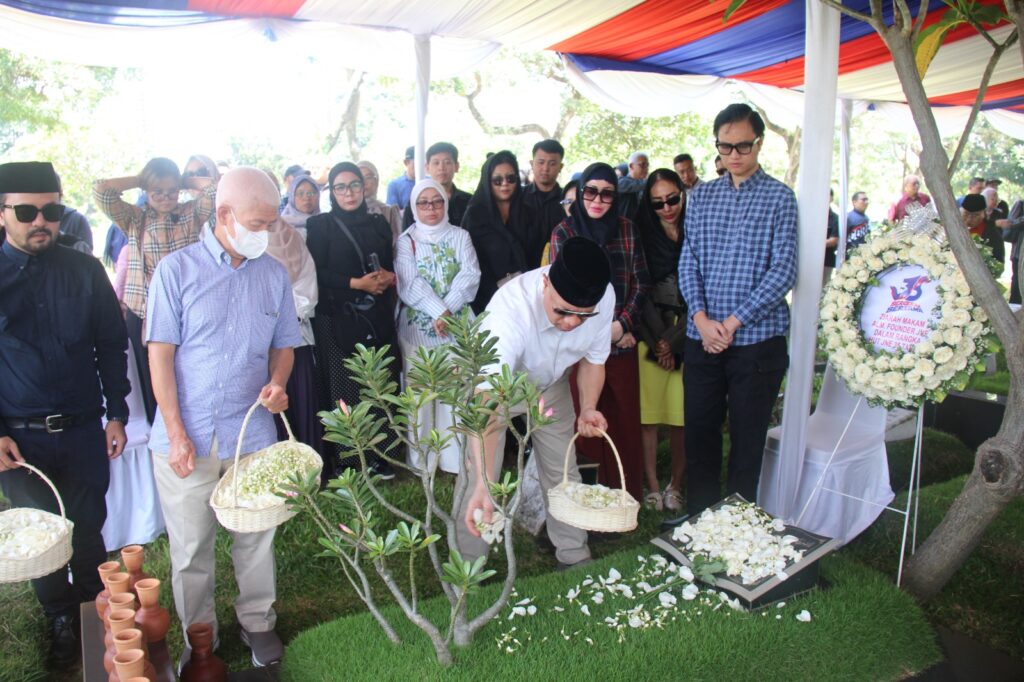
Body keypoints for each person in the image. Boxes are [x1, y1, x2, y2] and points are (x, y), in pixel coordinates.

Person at [146, 167, 300, 668]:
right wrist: (175, 432)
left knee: (256, 538)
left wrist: (278, 383)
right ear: (224, 215)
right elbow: (160, 356)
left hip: (251, 431)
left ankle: (258, 622)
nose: (266, 234)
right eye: (257, 224)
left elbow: (284, 347)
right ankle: (200, 639)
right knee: (191, 548)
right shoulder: (176, 271)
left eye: (271, 224)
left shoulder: (274, 275)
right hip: (186, 435)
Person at [0, 161, 130, 663]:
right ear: (3, 213)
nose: (41, 221)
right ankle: (58, 616)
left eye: (51, 210)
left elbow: (109, 344)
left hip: (81, 431)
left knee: (87, 525)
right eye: (27, 211)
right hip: (20, 439)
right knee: (41, 535)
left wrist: (116, 412)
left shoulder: (84, 269)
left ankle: (98, 614)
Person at [460, 236, 615, 570]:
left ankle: (573, 555)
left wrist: (588, 406)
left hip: (551, 384)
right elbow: (485, 404)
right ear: (545, 282)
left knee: (564, 469)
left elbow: (593, 359)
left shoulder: (604, 297)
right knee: (478, 476)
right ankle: (469, 569)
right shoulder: (508, 313)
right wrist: (486, 482)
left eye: (583, 316)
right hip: (497, 387)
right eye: (562, 311)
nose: (572, 322)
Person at [678, 103, 797, 515]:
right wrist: (700, 319)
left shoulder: (781, 198)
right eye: (725, 147)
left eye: (742, 146)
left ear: (759, 143)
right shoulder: (701, 196)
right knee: (699, 437)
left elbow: (784, 270)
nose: (733, 155)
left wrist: (730, 323)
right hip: (701, 338)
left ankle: (737, 532)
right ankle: (699, 524)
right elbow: (688, 260)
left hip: (756, 342)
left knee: (747, 444)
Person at [551, 162, 650, 504]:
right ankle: (589, 504)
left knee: (623, 424)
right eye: (590, 191)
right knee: (586, 426)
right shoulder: (563, 232)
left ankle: (626, 500)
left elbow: (640, 282)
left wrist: (622, 324)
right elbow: (558, 291)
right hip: (578, 346)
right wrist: (596, 333)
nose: (598, 199)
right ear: (580, 193)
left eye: (607, 193)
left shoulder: (627, 230)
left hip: (621, 343)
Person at [94, 158, 217, 424]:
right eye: (157, 191)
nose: (165, 197)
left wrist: (181, 181)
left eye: (171, 190)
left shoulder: (190, 213)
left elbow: (215, 189)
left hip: (189, 309)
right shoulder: (135, 218)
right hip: (145, 311)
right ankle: (163, 435)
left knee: (191, 374)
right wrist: (143, 179)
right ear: (147, 192)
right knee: (154, 381)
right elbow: (102, 191)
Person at [306, 162, 400, 480]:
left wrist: (388, 276)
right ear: (332, 191)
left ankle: (381, 455)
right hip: (338, 319)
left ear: (365, 187)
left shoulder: (378, 223)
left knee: (378, 385)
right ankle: (352, 461)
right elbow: (317, 273)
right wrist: (356, 284)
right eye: (341, 187)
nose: (349, 193)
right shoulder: (320, 226)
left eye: (355, 185)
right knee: (345, 390)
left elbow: (390, 262)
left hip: (376, 316)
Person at [395, 179, 480, 473]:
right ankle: (423, 463)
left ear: (445, 204)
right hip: (418, 332)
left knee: (455, 395)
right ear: (414, 207)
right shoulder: (406, 240)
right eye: (423, 202)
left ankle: (455, 461)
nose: (431, 208)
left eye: (437, 201)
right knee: (421, 398)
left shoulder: (461, 236)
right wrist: (437, 310)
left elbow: (470, 276)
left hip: (456, 329)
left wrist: (447, 311)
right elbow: (409, 282)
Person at [635, 169, 686, 513]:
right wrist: (659, 344)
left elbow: (704, 287)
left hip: (689, 330)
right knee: (649, 417)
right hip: (649, 332)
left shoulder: (697, 230)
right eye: (658, 203)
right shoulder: (643, 236)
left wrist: (674, 341)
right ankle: (652, 485)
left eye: (672, 199)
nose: (667, 208)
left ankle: (677, 486)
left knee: (682, 417)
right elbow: (641, 290)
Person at [463, 150, 544, 314]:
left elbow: (537, 256)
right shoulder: (475, 215)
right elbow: (469, 260)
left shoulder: (530, 211)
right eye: (497, 180)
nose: (505, 184)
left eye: (511, 178)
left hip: (527, 296)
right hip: (487, 299)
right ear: (487, 181)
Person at [402, 142, 473, 228]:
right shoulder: (416, 202)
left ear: (457, 167)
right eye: (436, 163)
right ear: (427, 168)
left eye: (447, 162)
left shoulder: (469, 201)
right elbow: (407, 235)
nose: (441, 168)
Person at [524, 139, 566, 239]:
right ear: (531, 164)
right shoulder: (518, 196)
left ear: (560, 167)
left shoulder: (567, 200)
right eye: (541, 162)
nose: (545, 168)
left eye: (552, 164)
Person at [358, 160, 403, 243]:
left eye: (368, 177)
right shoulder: (348, 213)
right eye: (360, 179)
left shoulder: (389, 211)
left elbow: (398, 244)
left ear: (376, 181)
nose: (364, 183)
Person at [962, 193, 1005, 273]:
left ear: (984, 214)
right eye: (966, 214)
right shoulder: (953, 226)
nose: (969, 219)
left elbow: (999, 264)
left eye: (975, 215)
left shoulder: (993, 234)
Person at [999, 198, 1023, 305]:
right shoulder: (1020, 204)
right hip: (1019, 252)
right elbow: (1009, 223)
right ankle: (1015, 306)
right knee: (1018, 282)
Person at [617, 151, 649, 221]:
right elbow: (638, 185)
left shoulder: (642, 185)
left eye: (647, 165)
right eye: (643, 165)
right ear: (631, 166)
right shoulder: (622, 182)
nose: (646, 169)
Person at [824, 189, 839, 282]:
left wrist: (814, 244)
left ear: (832, 198)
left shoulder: (835, 218)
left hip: (827, 260)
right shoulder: (809, 215)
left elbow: (833, 241)